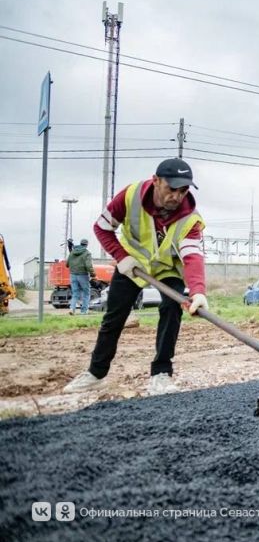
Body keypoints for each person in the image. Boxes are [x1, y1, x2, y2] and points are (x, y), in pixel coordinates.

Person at [63, 159, 209, 396]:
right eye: (171, 188)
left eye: (183, 190)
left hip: (167, 268)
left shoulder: (190, 218)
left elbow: (192, 257)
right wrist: (121, 256)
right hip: (132, 264)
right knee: (114, 317)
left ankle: (161, 374)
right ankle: (96, 374)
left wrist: (198, 291)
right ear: (155, 181)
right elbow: (101, 227)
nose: (177, 196)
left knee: (171, 311)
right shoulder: (130, 197)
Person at [66, 238, 96, 315]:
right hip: (83, 275)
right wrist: (93, 274)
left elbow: (67, 264)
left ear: (80, 243)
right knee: (86, 293)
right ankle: (84, 311)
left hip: (73, 275)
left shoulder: (72, 252)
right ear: (86, 245)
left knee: (75, 293)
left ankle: (72, 309)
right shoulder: (87, 253)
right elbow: (88, 265)